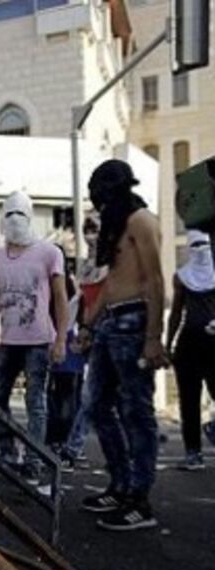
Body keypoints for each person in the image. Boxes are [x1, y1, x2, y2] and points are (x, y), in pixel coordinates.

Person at [76, 159, 167, 531]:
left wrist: (154, 338)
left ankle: (139, 501)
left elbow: (155, 280)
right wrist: (88, 325)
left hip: (134, 320)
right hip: (111, 321)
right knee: (96, 404)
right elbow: (111, 282)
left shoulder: (142, 221)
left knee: (136, 412)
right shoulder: (118, 225)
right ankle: (120, 485)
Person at [0, 191, 69, 483]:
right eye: (9, 214)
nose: (15, 219)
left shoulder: (49, 253)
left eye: (20, 213)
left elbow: (60, 297)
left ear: (30, 217)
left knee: (35, 403)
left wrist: (61, 339)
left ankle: (33, 461)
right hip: (8, 341)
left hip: (39, 341)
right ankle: (8, 452)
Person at [166, 230, 215, 471]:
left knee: (189, 401)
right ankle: (195, 450)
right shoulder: (183, 276)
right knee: (189, 400)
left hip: (189, 343)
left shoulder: (182, 276)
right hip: (204, 343)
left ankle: (193, 454)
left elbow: (176, 313)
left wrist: (168, 344)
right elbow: (175, 312)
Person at [63, 215, 107, 466]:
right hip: (89, 334)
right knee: (91, 394)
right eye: (87, 230)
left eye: (95, 230)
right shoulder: (85, 267)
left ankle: (74, 447)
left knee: (100, 395)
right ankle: (74, 447)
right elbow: (80, 302)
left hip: (109, 333)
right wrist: (77, 330)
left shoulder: (113, 264)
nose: (91, 236)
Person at [46, 246, 86, 468]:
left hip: (63, 341)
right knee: (64, 397)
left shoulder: (64, 284)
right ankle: (61, 441)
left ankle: (58, 441)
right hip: (66, 341)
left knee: (61, 396)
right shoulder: (68, 283)